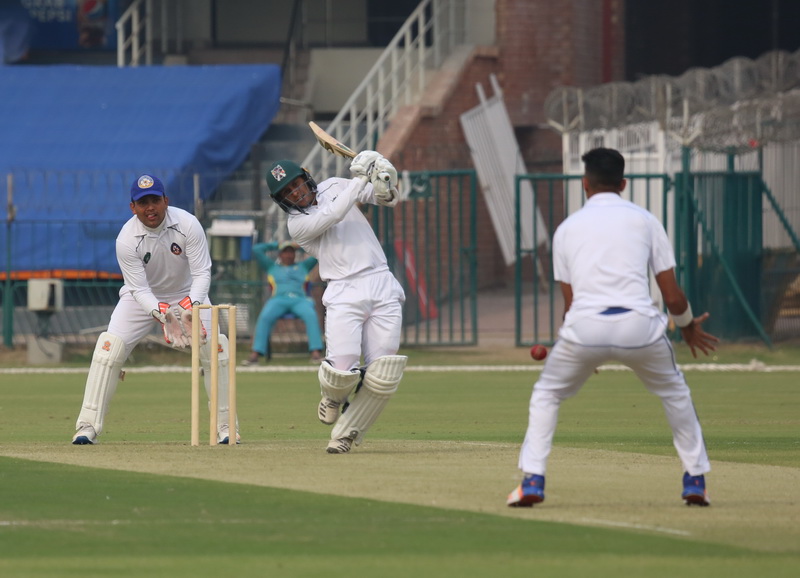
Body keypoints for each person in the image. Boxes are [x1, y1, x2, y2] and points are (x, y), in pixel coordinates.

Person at [507, 148, 719, 507]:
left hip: (585, 330)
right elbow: (673, 296)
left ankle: (532, 482)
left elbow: (570, 306)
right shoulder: (646, 221)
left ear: (584, 183)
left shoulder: (566, 229)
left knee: (547, 394)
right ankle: (695, 480)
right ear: (623, 184)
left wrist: (586, 350)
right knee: (675, 394)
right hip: (640, 328)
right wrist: (685, 327)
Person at [71, 174, 238, 445]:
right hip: (141, 299)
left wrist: (189, 307)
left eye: (155, 200)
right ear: (133, 207)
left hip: (189, 294)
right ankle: (87, 426)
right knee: (108, 349)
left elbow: (202, 273)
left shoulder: (187, 224)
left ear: (165, 201)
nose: (150, 208)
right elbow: (138, 289)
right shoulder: (127, 238)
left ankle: (226, 427)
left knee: (216, 350)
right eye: (143, 202)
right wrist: (162, 314)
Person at [266, 153, 407, 454]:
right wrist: (359, 179)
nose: (296, 193)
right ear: (282, 200)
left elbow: (387, 198)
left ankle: (346, 433)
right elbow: (333, 215)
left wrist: (383, 176)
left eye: (297, 185)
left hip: (380, 279)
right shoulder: (297, 225)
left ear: (306, 178)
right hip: (344, 289)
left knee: (383, 373)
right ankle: (333, 396)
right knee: (343, 371)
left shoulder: (334, 184)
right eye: (288, 192)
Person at [241, 240, 324, 365]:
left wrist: (299, 245)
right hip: (278, 300)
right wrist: (277, 244)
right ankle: (255, 354)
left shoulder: (303, 266)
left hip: (300, 300)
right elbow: (257, 249)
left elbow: (319, 251)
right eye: (285, 252)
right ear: (280, 254)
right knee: (265, 317)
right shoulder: (272, 267)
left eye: (291, 252)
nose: (288, 255)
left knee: (311, 315)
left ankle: (316, 353)